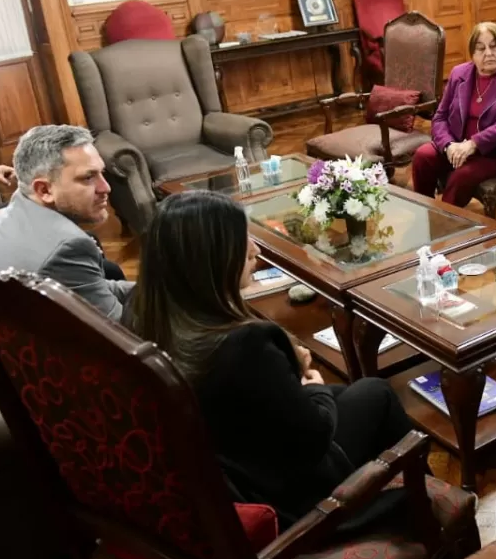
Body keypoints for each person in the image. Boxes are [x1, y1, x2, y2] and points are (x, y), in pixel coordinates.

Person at [129, 190, 416, 526]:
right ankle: (423, 510)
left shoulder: (142, 315)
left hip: (231, 460)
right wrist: (313, 385)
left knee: (349, 394)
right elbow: (313, 439)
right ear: (213, 258)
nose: (256, 250)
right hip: (285, 494)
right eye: (243, 240)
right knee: (375, 392)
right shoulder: (245, 346)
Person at [0, 125, 135, 404]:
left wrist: (150, 289)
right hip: (3, 404)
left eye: (102, 173)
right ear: (44, 189)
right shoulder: (65, 246)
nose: (105, 188)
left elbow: (91, 292)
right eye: (88, 178)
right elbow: (123, 337)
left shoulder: (21, 206)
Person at [410, 21, 496, 207]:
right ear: (473, 54)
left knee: (461, 177)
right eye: (480, 48)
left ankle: (449, 226)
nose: (488, 53)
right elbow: (440, 116)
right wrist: (448, 145)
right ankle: (423, 215)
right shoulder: (459, 73)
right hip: (459, 145)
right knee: (423, 156)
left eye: (494, 46)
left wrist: (474, 143)